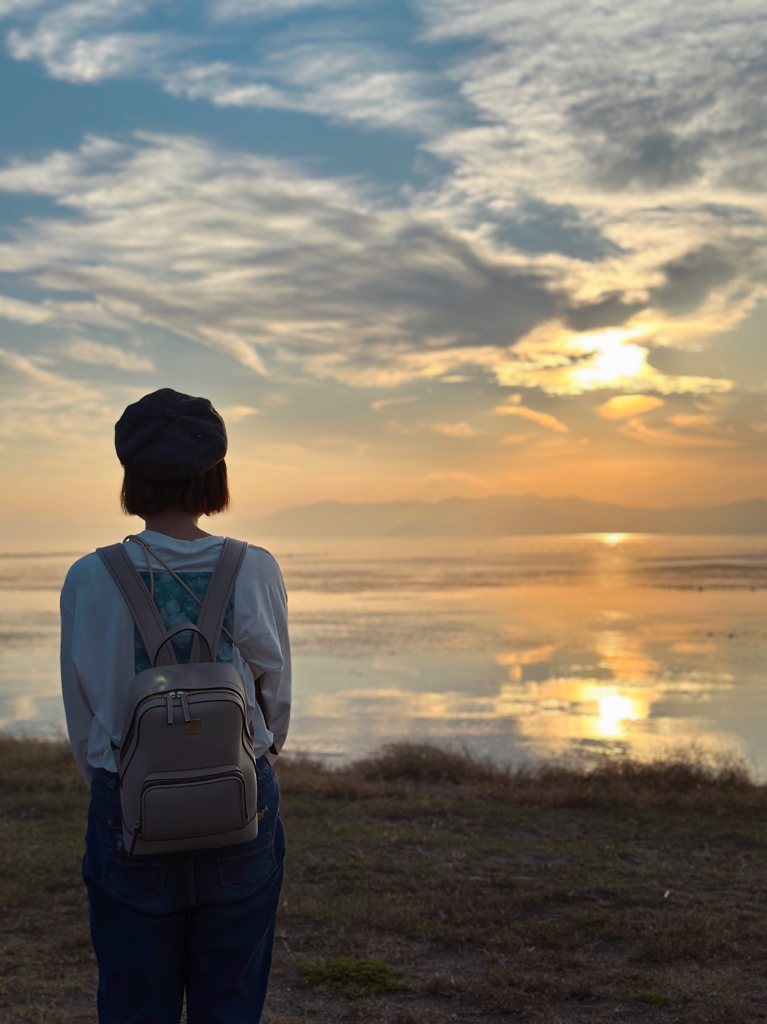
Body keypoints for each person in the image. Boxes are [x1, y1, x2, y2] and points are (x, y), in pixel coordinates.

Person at [60, 388, 290, 1024]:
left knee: (135, 1004)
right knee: (231, 1002)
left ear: (131, 477)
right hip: (239, 798)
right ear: (214, 474)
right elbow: (277, 696)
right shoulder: (254, 568)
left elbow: (83, 719)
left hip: (127, 809)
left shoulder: (89, 576)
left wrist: (117, 788)